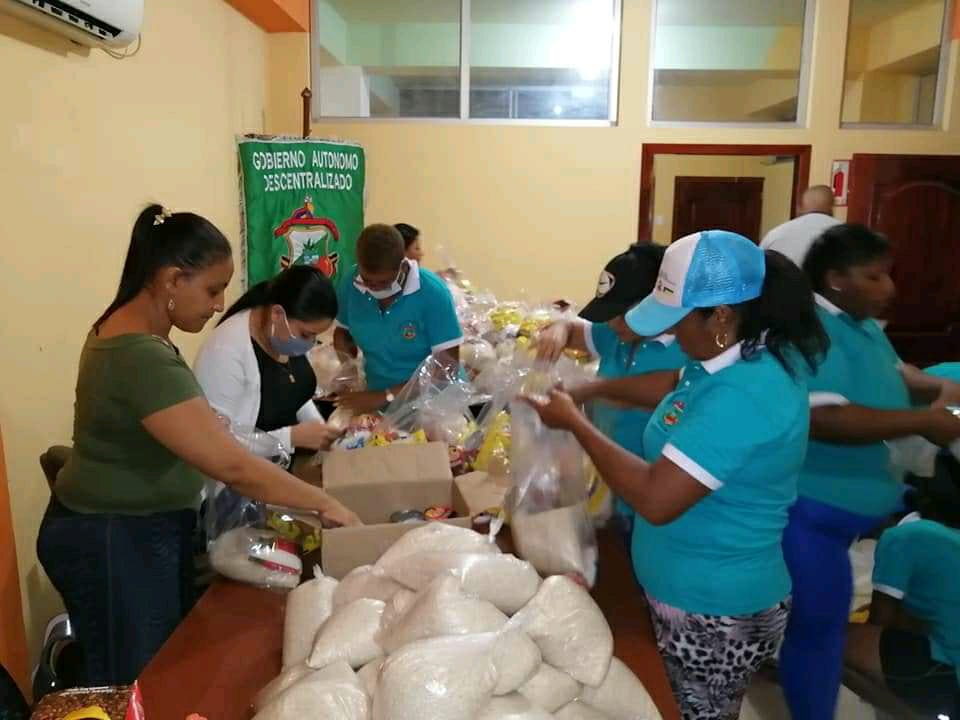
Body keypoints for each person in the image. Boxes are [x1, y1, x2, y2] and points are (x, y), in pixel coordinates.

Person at [37, 205, 360, 687]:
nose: (219, 304)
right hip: (114, 538)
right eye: (212, 290)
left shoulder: (138, 332)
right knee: (138, 683)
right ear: (172, 280)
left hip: (140, 528)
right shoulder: (139, 354)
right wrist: (325, 503)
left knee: (162, 664)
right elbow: (233, 465)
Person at [525, 230, 829, 720]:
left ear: (721, 315)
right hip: (686, 590)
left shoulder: (746, 393)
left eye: (677, 320)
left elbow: (657, 498)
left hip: (714, 610)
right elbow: (673, 384)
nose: (668, 334)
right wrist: (591, 390)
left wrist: (576, 424)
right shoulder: (725, 358)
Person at [779, 223, 960, 720]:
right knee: (818, 631)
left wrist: (940, 393)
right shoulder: (811, 331)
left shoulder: (861, 327)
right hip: (810, 512)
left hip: (846, 516)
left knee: (820, 621)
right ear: (836, 279)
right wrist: (922, 421)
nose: (890, 288)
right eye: (875, 276)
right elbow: (824, 418)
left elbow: (898, 376)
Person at [536, 244, 687, 522]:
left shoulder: (687, 348)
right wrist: (559, 328)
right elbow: (573, 329)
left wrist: (589, 391)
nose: (614, 323)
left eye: (623, 313)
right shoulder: (618, 334)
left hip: (651, 504)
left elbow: (673, 387)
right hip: (607, 497)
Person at [194, 265, 341, 453]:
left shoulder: (282, 335)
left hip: (284, 463)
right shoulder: (225, 352)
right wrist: (291, 437)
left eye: (315, 336)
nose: (311, 343)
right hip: (242, 469)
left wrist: (320, 429)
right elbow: (219, 443)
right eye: (306, 334)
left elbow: (293, 391)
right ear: (277, 314)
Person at [333, 223, 462, 414]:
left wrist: (385, 396)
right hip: (377, 396)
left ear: (402, 265)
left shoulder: (432, 292)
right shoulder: (350, 284)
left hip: (432, 404)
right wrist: (349, 374)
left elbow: (446, 368)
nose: (374, 287)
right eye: (367, 280)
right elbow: (343, 334)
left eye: (384, 282)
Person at [845, 505, 960, 718]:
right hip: (950, 665)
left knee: (832, 641)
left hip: (949, 674)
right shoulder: (944, 534)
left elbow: (881, 620)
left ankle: (902, 713)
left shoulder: (897, 538)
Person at [761, 184, 840, 266]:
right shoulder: (844, 234)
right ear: (832, 206)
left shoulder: (775, 234)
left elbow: (757, 265)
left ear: (801, 207)